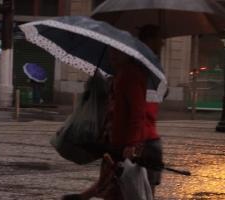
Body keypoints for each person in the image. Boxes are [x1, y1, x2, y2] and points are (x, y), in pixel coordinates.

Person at [62, 25, 165, 200]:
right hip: (125, 144)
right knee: (118, 187)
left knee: (130, 191)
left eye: (118, 51)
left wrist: (132, 145)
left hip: (136, 145)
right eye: (111, 49)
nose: (112, 54)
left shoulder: (130, 75)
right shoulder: (122, 75)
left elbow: (137, 113)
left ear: (128, 52)